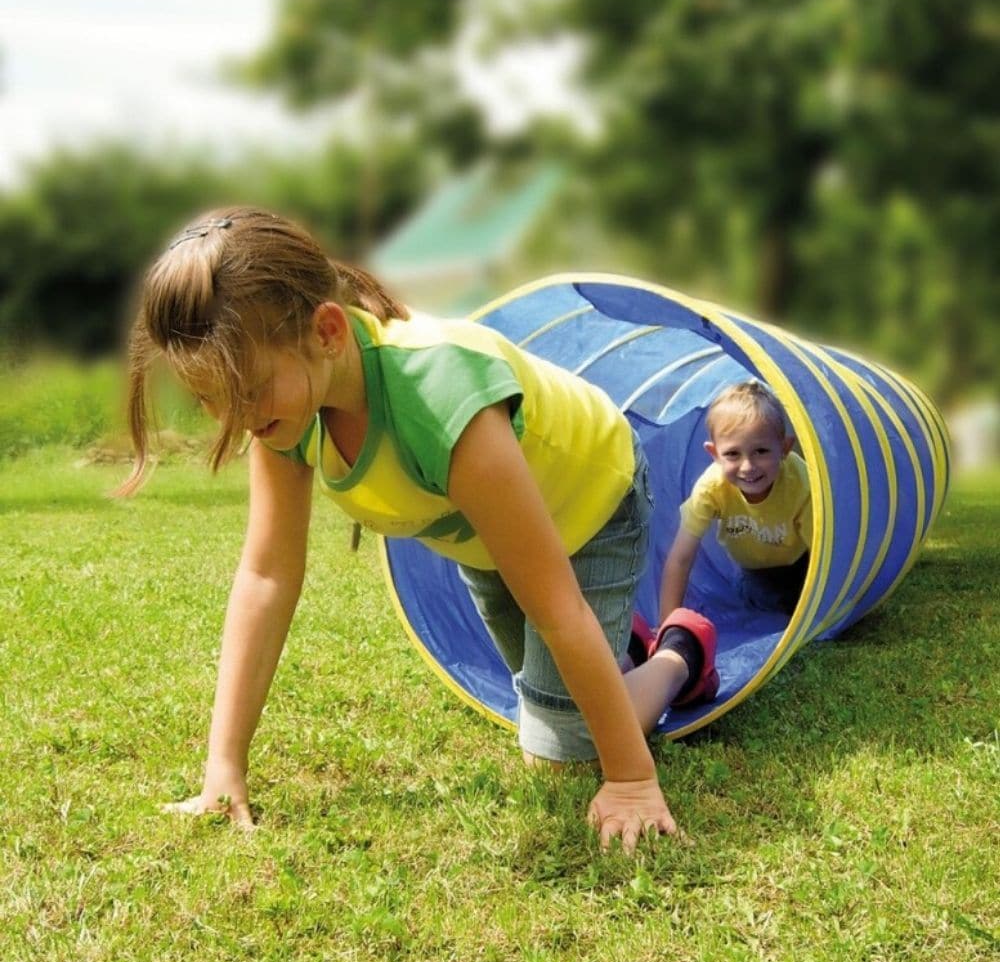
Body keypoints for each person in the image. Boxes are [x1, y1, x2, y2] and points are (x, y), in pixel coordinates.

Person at [118, 206, 718, 853]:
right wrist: (223, 770)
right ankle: (616, 645)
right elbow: (266, 576)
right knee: (560, 702)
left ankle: (679, 653)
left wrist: (630, 778)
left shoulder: (438, 395)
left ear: (325, 331)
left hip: (591, 501)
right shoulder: (281, 411)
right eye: (210, 399)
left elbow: (554, 603)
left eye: (248, 390)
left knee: (562, 750)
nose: (232, 418)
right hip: (488, 540)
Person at [658, 380, 812, 625]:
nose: (748, 467)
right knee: (760, 596)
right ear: (714, 454)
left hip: (804, 563)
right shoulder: (711, 488)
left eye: (761, 451)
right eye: (732, 454)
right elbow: (680, 558)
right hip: (755, 574)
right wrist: (667, 623)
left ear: (784, 448)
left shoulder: (798, 482)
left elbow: (824, 548)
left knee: (801, 604)